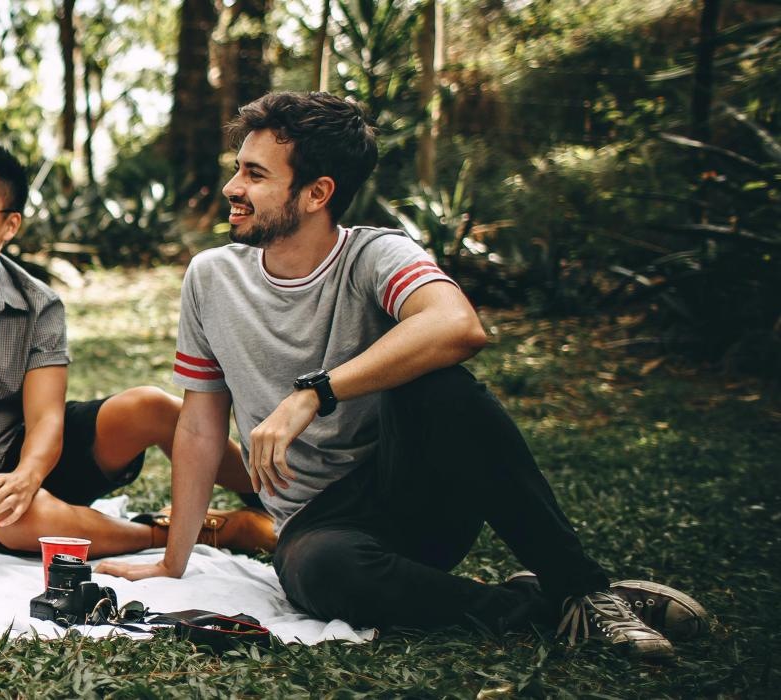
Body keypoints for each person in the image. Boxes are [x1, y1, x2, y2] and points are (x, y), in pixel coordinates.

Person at [97, 92, 707, 661]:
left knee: (439, 382)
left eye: (255, 175)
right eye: (239, 167)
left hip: (414, 491)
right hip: (319, 527)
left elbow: (457, 325)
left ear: (317, 193)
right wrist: (174, 563)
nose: (232, 186)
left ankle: (585, 589)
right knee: (321, 572)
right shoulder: (211, 278)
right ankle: (547, 607)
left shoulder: (375, 254)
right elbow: (201, 427)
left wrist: (316, 391)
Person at [0, 136, 273, 558]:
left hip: (36, 453)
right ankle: (197, 531)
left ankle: (277, 500)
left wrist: (28, 475)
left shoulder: (39, 304)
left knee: (151, 406)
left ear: (9, 225)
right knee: (17, 519)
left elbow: (46, 417)